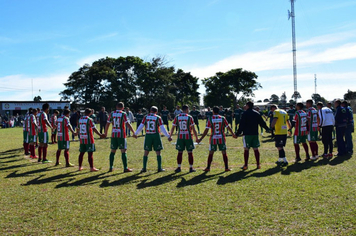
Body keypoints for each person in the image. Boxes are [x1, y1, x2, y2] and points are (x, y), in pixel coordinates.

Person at [198, 106, 237, 171]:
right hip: (221, 138)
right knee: (224, 152)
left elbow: (206, 130)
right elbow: (228, 127)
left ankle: (208, 167)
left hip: (213, 138)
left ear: (213, 111)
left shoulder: (210, 118)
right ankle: (226, 167)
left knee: (211, 152)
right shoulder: (222, 118)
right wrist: (233, 134)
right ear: (219, 111)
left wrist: (201, 138)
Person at [135, 106, 172, 173]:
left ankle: (144, 168)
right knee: (158, 151)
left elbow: (141, 126)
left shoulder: (145, 117)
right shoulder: (158, 117)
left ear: (150, 111)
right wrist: (168, 136)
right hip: (156, 135)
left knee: (146, 152)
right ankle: (159, 167)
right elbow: (162, 128)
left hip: (148, 135)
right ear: (156, 112)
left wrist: (136, 133)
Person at [237, 102, 270, 170]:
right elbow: (262, 122)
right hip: (255, 134)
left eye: (246, 105)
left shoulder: (245, 113)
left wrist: (238, 133)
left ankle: (246, 165)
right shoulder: (256, 113)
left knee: (246, 149)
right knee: (256, 149)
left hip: (247, 134)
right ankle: (258, 165)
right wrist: (267, 128)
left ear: (248, 106)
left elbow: (242, 124)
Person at [105, 102, 136, 172]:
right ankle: (125, 168)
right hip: (121, 135)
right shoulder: (123, 114)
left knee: (113, 151)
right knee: (123, 151)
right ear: (123, 108)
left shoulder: (112, 113)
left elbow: (107, 123)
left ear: (116, 107)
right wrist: (134, 132)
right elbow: (127, 123)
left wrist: (105, 133)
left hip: (114, 134)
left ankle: (111, 167)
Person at [170, 105, 199, 172]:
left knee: (180, 152)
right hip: (188, 136)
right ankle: (191, 168)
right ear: (186, 110)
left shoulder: (177, 117)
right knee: (190, 152)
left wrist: (170, 135)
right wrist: (197, 138)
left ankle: (179, 167)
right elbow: (193, 129)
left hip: (180, 136)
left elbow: (173, 127)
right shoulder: (189, 117)